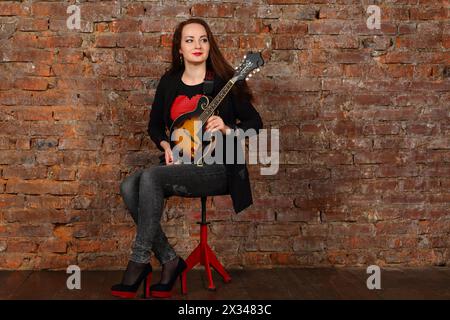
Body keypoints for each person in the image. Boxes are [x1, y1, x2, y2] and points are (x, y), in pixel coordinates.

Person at [111, 18, 263, 299]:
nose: (197, 45)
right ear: (179, 48)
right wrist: (166, 144)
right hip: (180, 162)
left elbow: (256, 124)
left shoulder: (225, 82)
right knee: (128, 186)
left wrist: (229, 128)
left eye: (203, 39)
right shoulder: (169, 82)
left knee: (151, 176)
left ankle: (139, 261)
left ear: (210, 44)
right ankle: (170, 260)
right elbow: (155, 125)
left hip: (218, 167)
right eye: (190, 40)